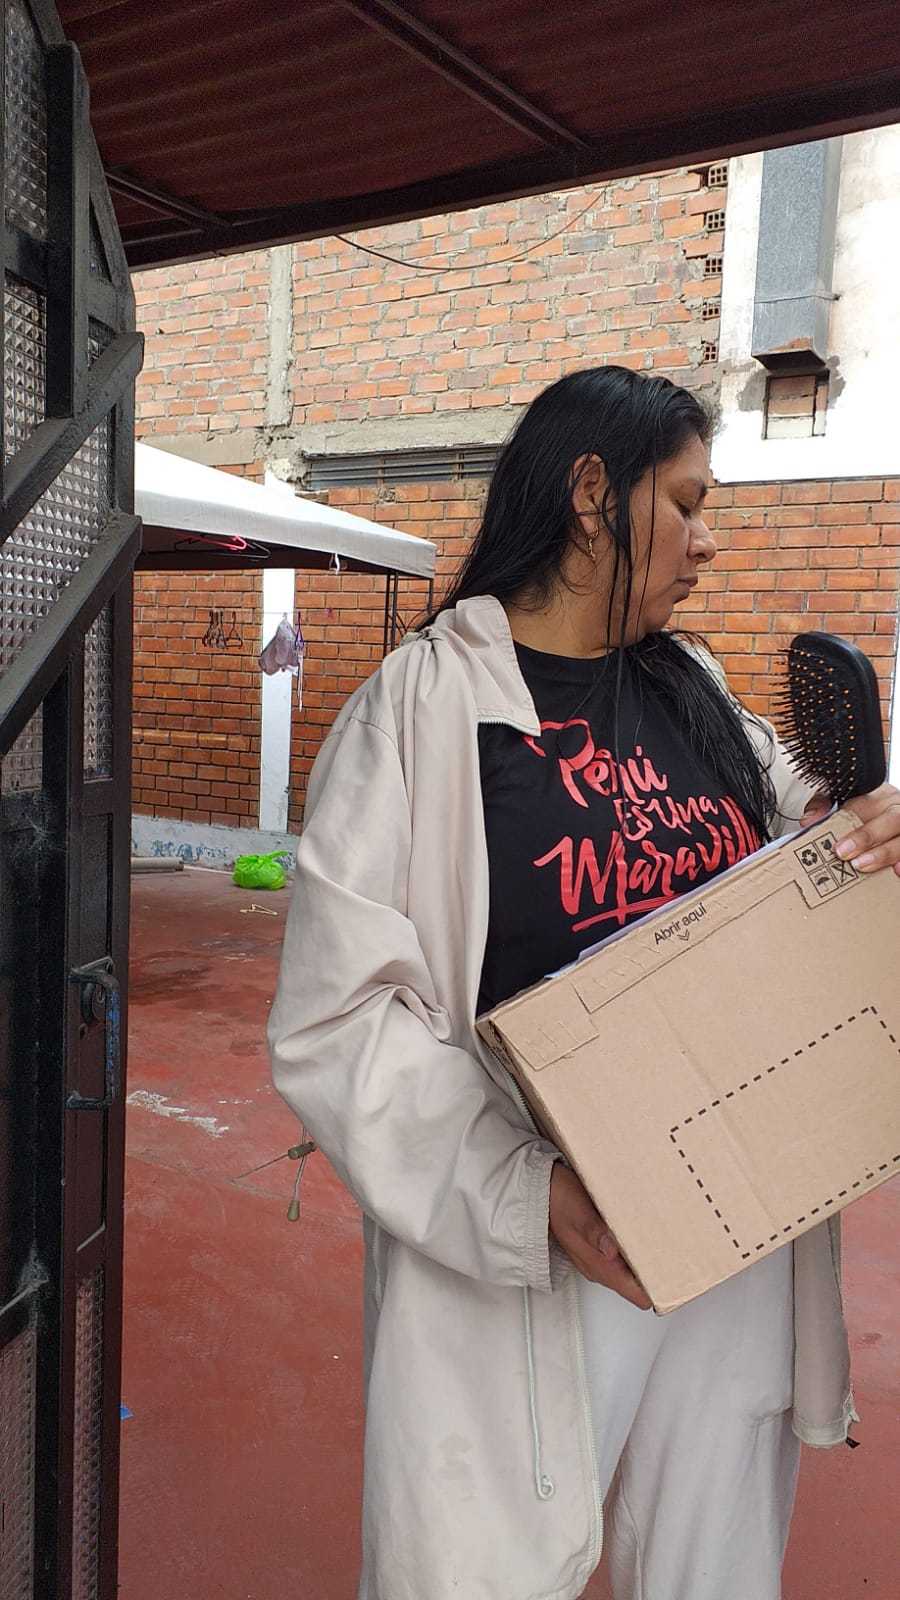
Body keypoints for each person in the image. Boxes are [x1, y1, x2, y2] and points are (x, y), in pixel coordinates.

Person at [269, 367, 900, 1600]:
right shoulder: (421, 709)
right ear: (593, 494)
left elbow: (806, 844)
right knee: (487, 1569)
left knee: (714, 1569)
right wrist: (533, 1194)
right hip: (543, 1236)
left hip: (734, 1223)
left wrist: (866, 832)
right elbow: (339, 1023)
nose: (710, 541)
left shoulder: (694, 691)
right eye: (688, 502)